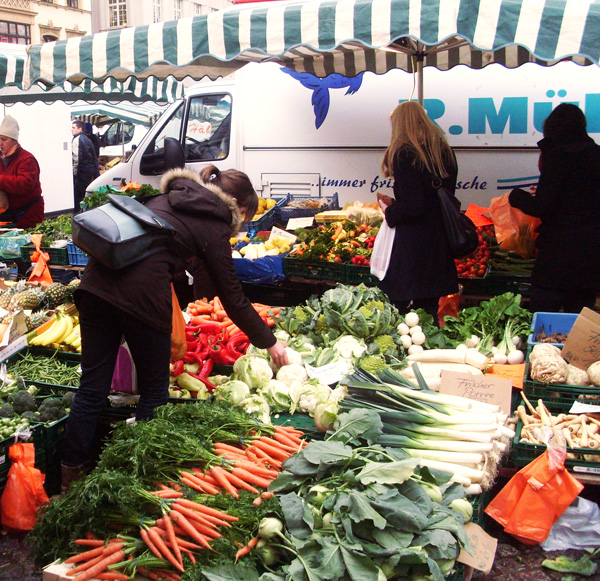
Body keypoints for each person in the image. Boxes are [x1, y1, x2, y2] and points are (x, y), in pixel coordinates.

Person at [60, 164, 289, 491]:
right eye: (246, 216)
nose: (241, 225)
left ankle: (71, 474)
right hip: (140, 299)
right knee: (154, 391)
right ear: (236, 205)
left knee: (93, 385)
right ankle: (134, 478)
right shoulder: (214, 223)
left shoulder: (170, 197)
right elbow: (233, 297)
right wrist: (270, 343)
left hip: (95, 287)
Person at [509, 103, 600, 314]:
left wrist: (516, 197)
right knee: (580, 319)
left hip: (558, 253)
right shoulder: (596, 154)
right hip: (592, 253)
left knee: (544, 316)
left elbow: (542, 206)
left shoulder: (558, 157)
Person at [376, 100, 459, 323]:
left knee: (398, 306)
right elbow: (438, 199)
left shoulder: (404, 154)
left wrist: (389, 211)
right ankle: (428, 348)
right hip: (438, 240)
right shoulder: (445, 152)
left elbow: (415, 206)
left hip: (413, 246)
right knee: (429, 308)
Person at [0, 115, 44, 229]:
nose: (0, 143)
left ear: (14, 141)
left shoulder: (27, 159)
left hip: (27, 214)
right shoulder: (1, 159)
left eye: (4, 139)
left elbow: (24, 184)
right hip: (7, 214)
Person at [71, 120, 99, 212]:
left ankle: (80, 212)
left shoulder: (77, 140)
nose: (71, 130)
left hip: (82, 172)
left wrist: (75, 173)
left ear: (80, 129)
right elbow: (94, 157)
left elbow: (77, 158)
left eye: (73, 127)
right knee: (86, 193)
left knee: (79, 195)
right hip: (89, 171)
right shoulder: (88, 139)